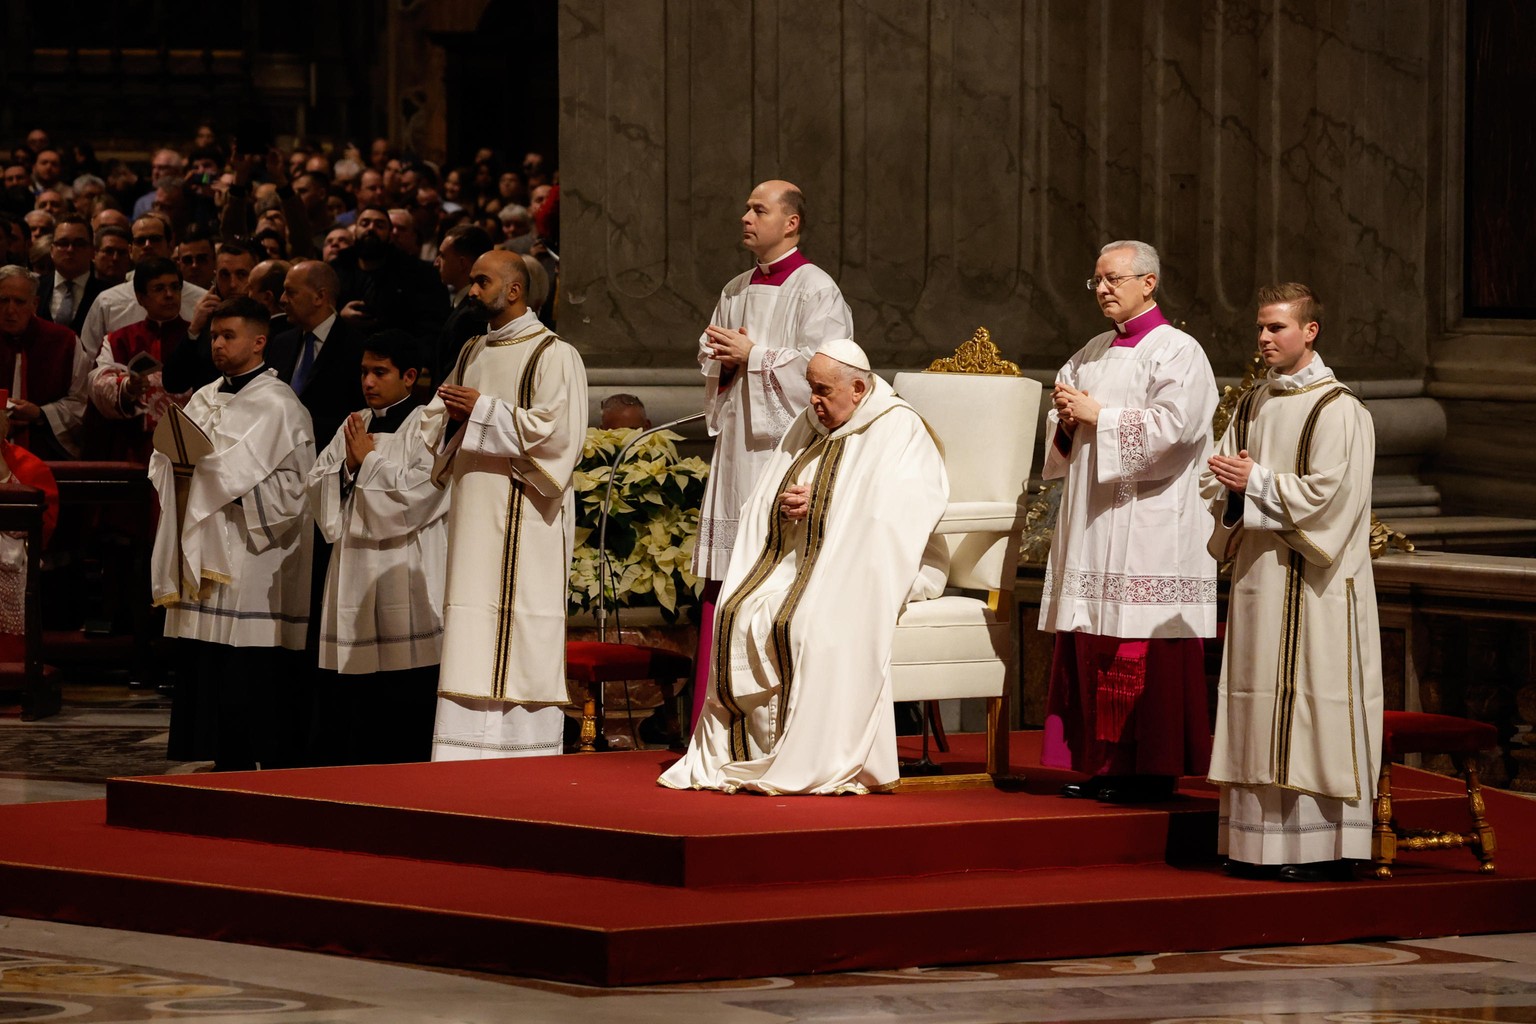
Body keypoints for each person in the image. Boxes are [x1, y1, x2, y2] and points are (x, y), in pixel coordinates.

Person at [661, 339, 948, 795]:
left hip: (867, 562)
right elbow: (768, 490)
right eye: (810, 388)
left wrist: (824, 502)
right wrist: (787, 501)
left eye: (822, 390)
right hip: (803, 557)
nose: (813, 400)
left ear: (857, 387)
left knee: (808, 624)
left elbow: (902, 510)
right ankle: (749, 751)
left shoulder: (899, 429)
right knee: (740, 611)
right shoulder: (812, 421)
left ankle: (814, 754)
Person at [1203, 283, 1382, 883]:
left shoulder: (1341, 410)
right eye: (1259, 327)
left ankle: (1321, 847)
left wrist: (1255, 482)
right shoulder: (1252, 402)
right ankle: (1255, 844)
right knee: (1258, 704)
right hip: (1260, 580)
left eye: (1276, 328)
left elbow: (1333, 499)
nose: (1263, 338)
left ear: (1310, 332)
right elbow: (1220, 484)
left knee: (1313, 707)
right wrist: (1233, 487)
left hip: (1317, 590)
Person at [1039, 240, 1218, 804]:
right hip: (1094, 520)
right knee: (1095, 636)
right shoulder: (1090, 351)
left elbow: (1178, 429)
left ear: (1148, 283)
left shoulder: (1179, 352)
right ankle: (1103, 763)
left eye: (1113, 278)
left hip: (1151, 523)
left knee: (1140, 645)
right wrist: (1066, 420)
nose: (1102, 289)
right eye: (1095, 280)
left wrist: (1101, 417)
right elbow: (1061, 421)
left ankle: (1152, 766)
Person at [690, 179, 853, 729]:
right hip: (737, 452)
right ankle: (713, 722)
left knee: (772, 578)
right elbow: (712, 361)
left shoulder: (816, 289)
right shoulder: (735, 287)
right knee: (726, 579)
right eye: (745, 205)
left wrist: (754, 354)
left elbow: (830, 371)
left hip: (784, 453)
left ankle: (774, 723)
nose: (745, 216)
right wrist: (725, 361)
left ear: (791, 223)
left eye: (759, 209)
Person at [418, 250, 586, 760]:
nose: (471, 291)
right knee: (473, 621)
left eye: (480, 280)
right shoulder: (471, 351)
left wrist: (485, 411)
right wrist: (453, 419)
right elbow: (432, 418)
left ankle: (523, 751)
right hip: (474, 516)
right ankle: (463, 751)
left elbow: (561, 434)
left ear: (514, 290)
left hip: (528, 515)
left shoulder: (555, 354)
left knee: (520, 624)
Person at [148, 296, 315, 770]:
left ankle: (252, 758)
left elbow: (292, 492)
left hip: (250, 554)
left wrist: (220, 482)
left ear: (260, 342)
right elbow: (167, 458)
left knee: (246, 669)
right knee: (206, 662)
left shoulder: (282, 408)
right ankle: (213, 755)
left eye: (229, 336)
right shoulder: (202, 396)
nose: (217, 345)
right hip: (204, 548)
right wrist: (188, 472)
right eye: (215, 336)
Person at [305, 329, 448, 765]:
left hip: (406, 563)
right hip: (354, 565)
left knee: (406, 689)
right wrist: (347, 467)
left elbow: (419, 495)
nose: (368, 381)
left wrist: (367, 461)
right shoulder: (355, 423)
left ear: (409, 376)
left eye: (379, 372)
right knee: (356, 691)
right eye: (364, 371)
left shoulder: (429, 424)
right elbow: (317, 483)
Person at [88, 257, 191, 461]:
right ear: (140, 297)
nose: (169, 295)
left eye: (174, 287)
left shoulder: (200, 336)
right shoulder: (118, 340)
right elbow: (97, 383)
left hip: (188, 446)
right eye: (159, 288)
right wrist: (127, 387)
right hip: (134, 447)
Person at [0, 265, 89, 458]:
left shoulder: (64, 341)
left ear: (35, 304)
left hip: (47, 456)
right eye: (3, 300)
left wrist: (40, 413)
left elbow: (81, 402)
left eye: (19, 302)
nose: (10, 310)